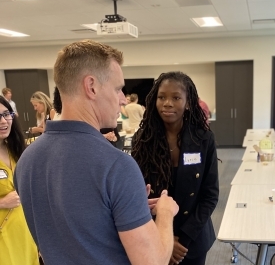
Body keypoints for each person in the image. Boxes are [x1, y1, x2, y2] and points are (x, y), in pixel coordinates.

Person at [14, 39, 179, 265]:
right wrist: (165, 213)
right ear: (91, 86)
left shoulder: (27, 159)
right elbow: (153, 262)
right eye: (118, 88)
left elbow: (72, 231)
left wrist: (130, 209)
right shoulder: (117, 165)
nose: (123, 99)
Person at [131, 71, 219, 265]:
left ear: (188, 103)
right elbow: (138, 195)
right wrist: (164, 239)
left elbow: (210, 195)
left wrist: (182, 239)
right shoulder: (143, 141)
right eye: (161, 97)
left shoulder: (203, 140)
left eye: (176, 97)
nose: (167, 103)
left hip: (192, 239)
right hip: (154, 236)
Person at [0, 96, 39, 265]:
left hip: (25, 235)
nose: (3, 121)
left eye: (6, 114)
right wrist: (1, 203)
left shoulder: (15, 150)